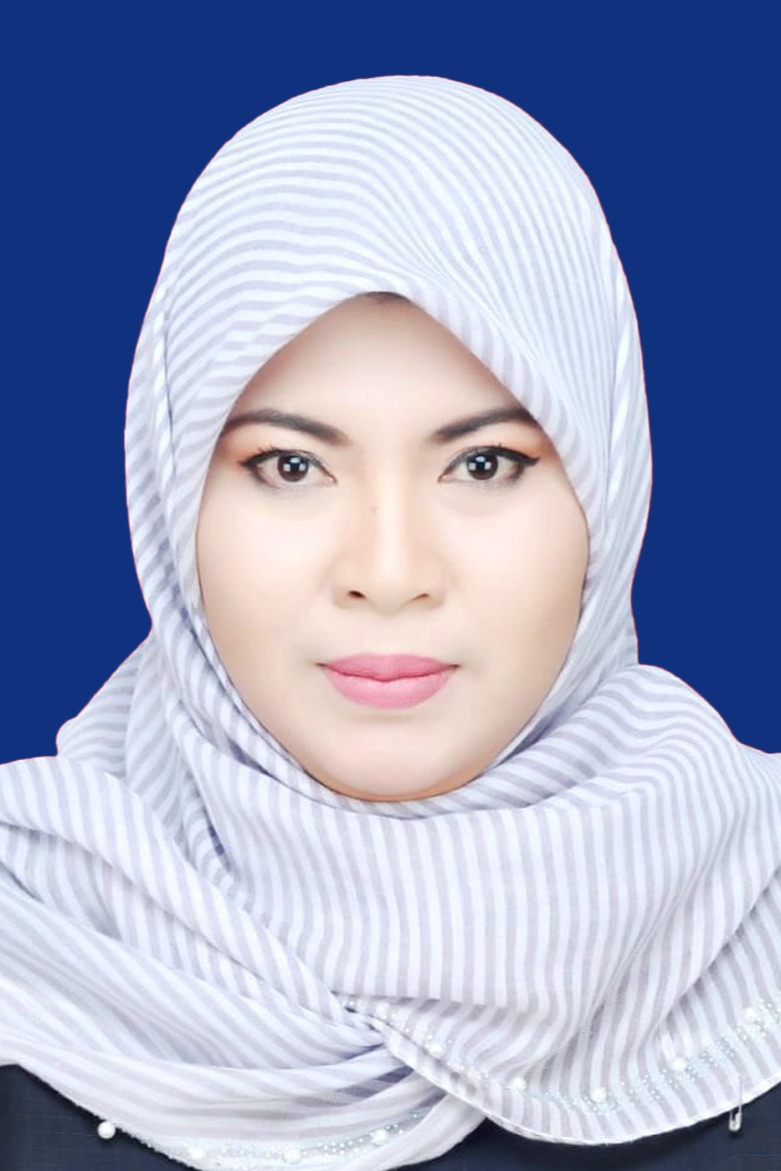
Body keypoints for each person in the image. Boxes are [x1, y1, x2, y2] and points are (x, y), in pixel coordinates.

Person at [0, 75, 779, 1171]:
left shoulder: (757, 899)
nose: (389, 571)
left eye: (483, 462)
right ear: (172, 496)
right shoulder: (33, 926)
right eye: (290, 465)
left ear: (606, 485)